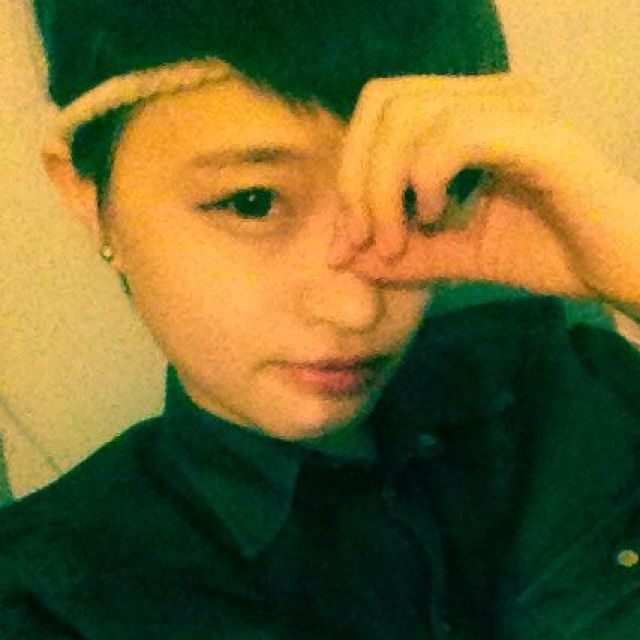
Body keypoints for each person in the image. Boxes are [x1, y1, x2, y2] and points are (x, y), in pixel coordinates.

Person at [1, 0, 640, 638]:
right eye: (253, 203)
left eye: (409, 199)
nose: (356, 309)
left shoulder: (570, 388)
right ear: (88, 196)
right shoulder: (46, 602)